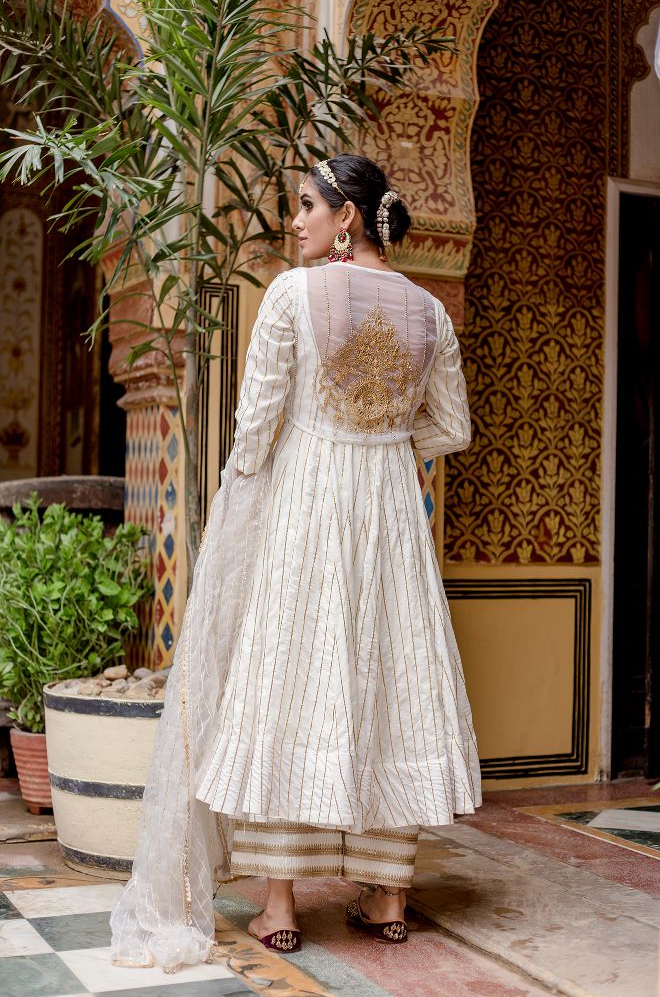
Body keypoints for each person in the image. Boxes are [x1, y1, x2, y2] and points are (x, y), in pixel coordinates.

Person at [110, 154, 481, 972]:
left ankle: (279, 907)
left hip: (307, 511)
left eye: (306, 206)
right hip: (391, 518)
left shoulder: (291, 294)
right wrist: (382, 448)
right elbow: (450, 429)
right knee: (390, 685)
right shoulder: (429, 312)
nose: (294, 220)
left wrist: (249, 498)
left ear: (346, 215)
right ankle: (385, 898)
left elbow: (255, 427)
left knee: (290, 686)